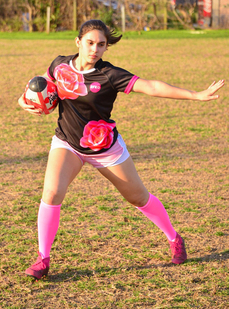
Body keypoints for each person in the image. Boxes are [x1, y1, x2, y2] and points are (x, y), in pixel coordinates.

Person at [18, 19, 225, 280]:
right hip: (68, 143)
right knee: (51, 192)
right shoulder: (59, 65)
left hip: (105, 148)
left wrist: (195, 95)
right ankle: (43, 259)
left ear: (106, 48)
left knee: (138, 198)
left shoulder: (109, 74)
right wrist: (22, 101)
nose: (95, 49)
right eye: (90, 43)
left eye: (101, 45)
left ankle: (174, 238)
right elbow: (39, 88)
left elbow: (151, 86)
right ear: (78, 42)